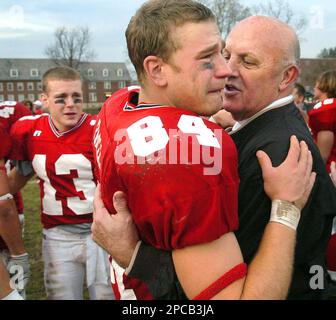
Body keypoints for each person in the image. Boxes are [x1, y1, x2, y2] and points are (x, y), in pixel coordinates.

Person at [93, 9, 336, 300]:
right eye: (223, 54)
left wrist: (133, 255)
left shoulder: (121, 105)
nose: (227, 70)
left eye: (247, 61)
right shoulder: (208, 136)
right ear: (156, 70)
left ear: (287, 77)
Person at [8, 66, 114, 300]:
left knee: (107, 296)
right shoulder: (30, 131)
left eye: (76, 97)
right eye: (61, 98)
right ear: (44, 100)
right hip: (58, 234)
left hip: (102, 232)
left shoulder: (100, 129)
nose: (70, 104)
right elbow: (18, 177)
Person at [0, 101, 31, 300]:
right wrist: (19, 253)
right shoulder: (15, 111)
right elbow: (2, 205)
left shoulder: (15, 112)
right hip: (7, 214)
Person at [308, 70, 336, 172]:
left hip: (330, 172)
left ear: (326, 84)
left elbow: (323, 155)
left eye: (317, 82)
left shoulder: (326, 110)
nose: (314, 86)